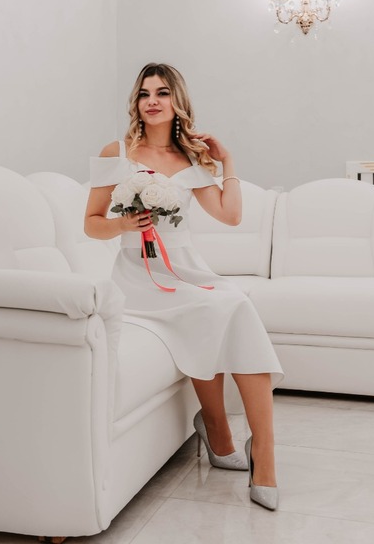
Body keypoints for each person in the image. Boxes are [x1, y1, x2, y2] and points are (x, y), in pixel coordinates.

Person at [84, 63, 283, 511]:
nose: (152, 101)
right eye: (144, 93)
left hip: (187, 271)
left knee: (235, 306)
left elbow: (231, 215)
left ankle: (264, 450)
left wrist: (228, 162)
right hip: (138, 277)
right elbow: (91, 223)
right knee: (219, 310)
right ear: (136, 102)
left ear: (178, 102)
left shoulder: (191, 160)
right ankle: (218, 431)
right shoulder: (118, 152)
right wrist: (123, 224)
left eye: (162, 92)